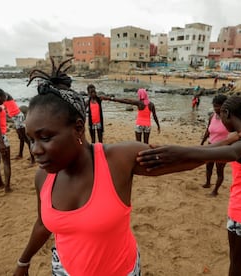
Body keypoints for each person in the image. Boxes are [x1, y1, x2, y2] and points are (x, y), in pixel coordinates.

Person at [13, 58, 203, 276]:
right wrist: (23, 262)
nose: (35, 150)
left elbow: (184, 160)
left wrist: (230, 149)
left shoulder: (116, 160)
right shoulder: (43, 177)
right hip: (64, 269)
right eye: (31, 140)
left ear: (77, 128)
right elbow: (43, 224)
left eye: (45, 137)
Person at [137, 96, 241, 276]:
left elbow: (234, 153)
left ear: (226, 113)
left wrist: (178, 151)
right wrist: (182, 151)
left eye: (221, 116)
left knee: (237, 262)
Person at [200, 94, 229, 196]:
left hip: (223, 148)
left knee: (219, 170)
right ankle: (208, 183)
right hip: (211, 145)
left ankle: (215, 191)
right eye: (214, 106)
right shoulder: (212, 116)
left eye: (218, 106)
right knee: (208, 166)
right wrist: (203, 141)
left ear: (224, 106)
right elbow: (208, 130)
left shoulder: (228, 119)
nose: (216, 108)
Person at [3, 92, 35, 164]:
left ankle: (33, 159)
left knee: (26, 139)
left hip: (18, 117)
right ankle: (20, 155)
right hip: (15, 118)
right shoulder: (5, 101)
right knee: (21, 138)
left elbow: (6, 96)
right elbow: (5, 108)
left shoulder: (7, 97)